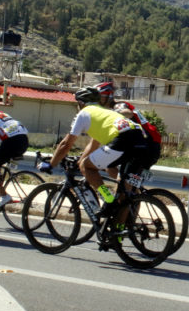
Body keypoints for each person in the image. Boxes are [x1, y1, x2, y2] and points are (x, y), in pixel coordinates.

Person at [37, 85, 148, 215]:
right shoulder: (104, 112)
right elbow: (94, 144)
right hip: (140, 139)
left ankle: (109, 199)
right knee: (111, 171)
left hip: (122, 140)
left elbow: (66, 144)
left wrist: (51, 163)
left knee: (87, 166)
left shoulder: (84, 113)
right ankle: (123, 217)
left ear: (80, 103)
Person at [113, 101, 161, 169]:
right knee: (127, 175)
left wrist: (110, 113)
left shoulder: (119, 105)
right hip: (152, 141)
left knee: (109, 164)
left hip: (146, 141)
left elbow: (129, 113)